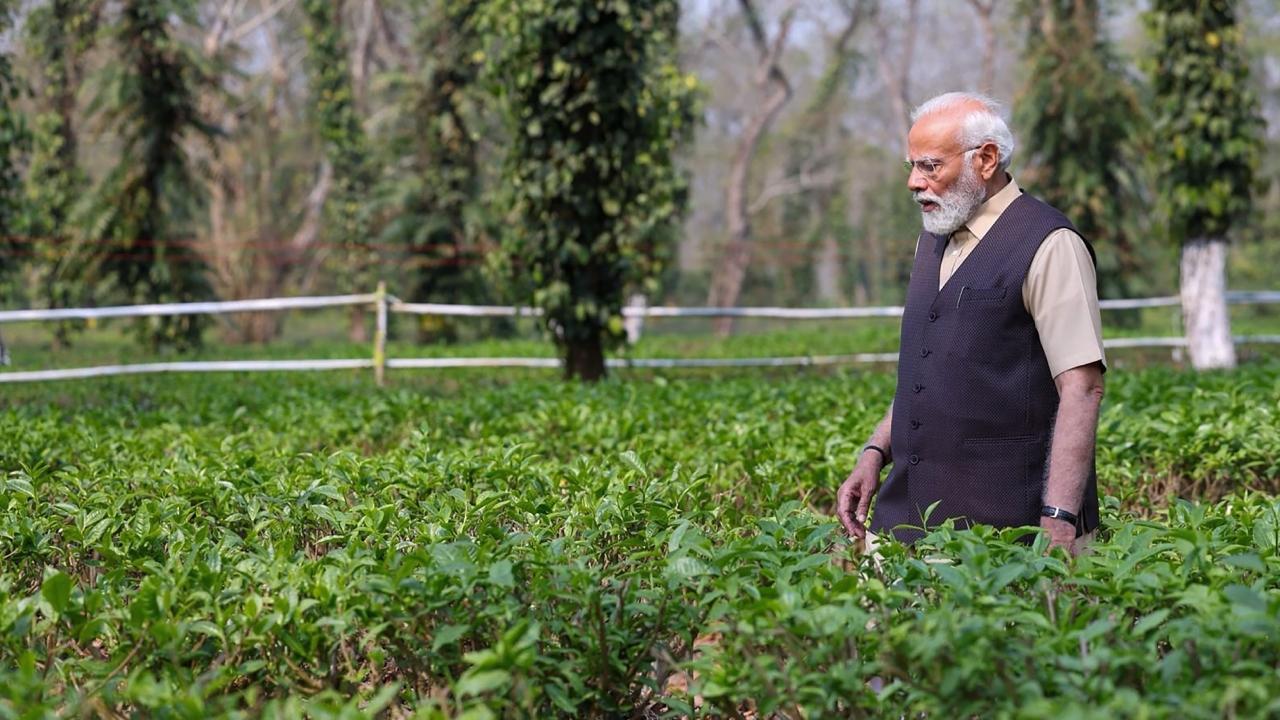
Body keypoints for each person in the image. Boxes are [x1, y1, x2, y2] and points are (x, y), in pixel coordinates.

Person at [836, 92, 1106, 555]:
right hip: (904, 521)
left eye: (930, 166)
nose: (914, 183)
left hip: (1006, 536)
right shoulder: (934, 240)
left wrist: (1059, 519)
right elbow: (928, 371)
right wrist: (874, 452)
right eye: (911, 167)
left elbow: (1082, 387)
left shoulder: (1051, 243)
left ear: (985, 159)